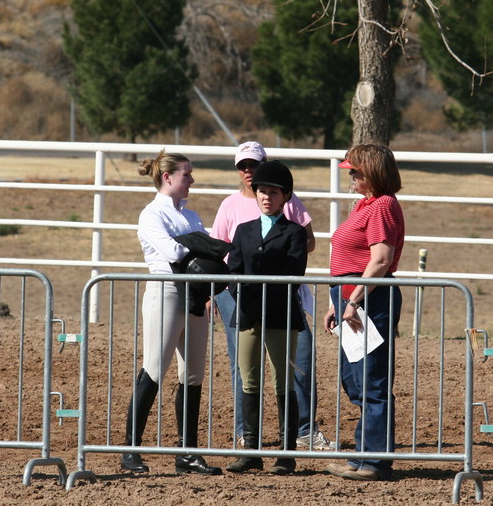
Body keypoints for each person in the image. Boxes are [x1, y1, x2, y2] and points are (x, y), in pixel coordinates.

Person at [210, 142, 334, 451]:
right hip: (247, 306)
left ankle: (295, 439)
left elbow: (296, 263)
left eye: (254, 165)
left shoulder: (291, 223)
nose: (248, 172)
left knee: (290, 373)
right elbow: (231, 263)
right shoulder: (238, 218)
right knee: (246, 373)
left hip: (281, 308)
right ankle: (248, 440)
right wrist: (242, 295)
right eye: (243, 166)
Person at [121, 149, 221, 476]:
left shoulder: (190, 216)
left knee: (192, 374)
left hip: (193, 295)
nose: (191, 180)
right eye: (186, 175)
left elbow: (206, 251)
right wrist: (203, 247)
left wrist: (204, 249)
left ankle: (187, 452)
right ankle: (130, 449)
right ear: (168, 178)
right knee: (153, 368)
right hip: (165, 291)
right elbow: (174, 251)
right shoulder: (152, 214)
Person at [322, 144, 405, 482]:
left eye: (355, 171)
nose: (351, 176)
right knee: (355, 380)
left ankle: (375, 459)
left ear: (371, 172)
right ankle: (364, 454)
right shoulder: (365, 205)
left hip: (368, 300)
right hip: (353, 299)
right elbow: (349, 259)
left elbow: (381, 260)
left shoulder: (382, 206)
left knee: (372, 380)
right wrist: (337, 301)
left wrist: (353, 300)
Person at [224, 161, 309, 474]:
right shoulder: (243, 230)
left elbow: (293, 272)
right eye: (261, 191)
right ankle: (251, 450)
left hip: (280, 314)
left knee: (282, 382)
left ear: (285, 196)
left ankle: (286, 453)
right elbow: (233, 269)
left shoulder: (295, 232)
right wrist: (243, 297)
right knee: (249, 381)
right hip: (247, 315)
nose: (266, 197)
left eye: (273, 192)